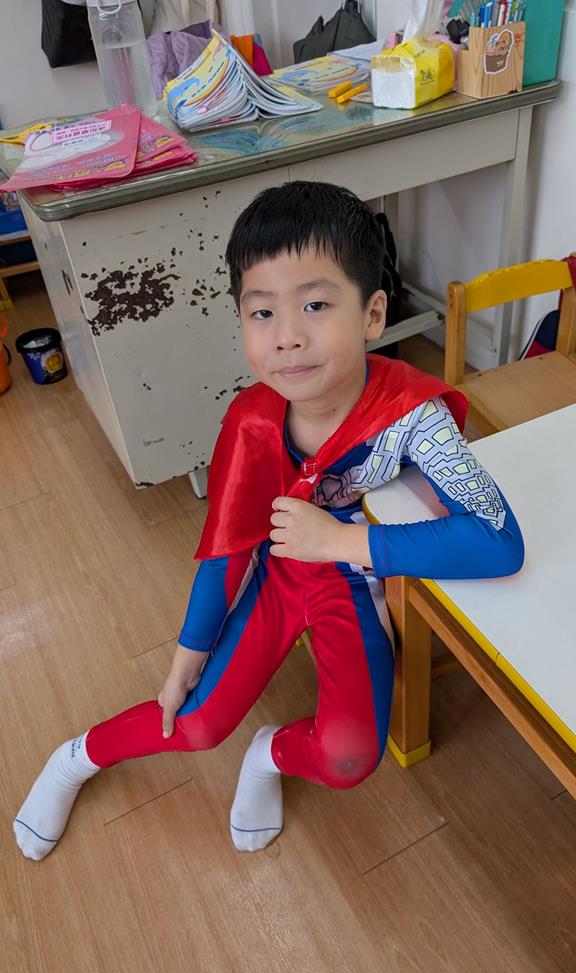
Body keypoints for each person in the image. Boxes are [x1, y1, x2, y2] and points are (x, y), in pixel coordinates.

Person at [13, 181, 524, 861]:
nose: (287, 337)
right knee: (195, 723)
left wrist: (340, 540)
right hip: (279, 576)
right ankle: (74, 759)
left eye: (316, 305)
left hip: (350, 578)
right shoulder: (252, 419)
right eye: (261, 313)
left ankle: (268, 755)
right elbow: (227, 550)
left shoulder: (413, 416)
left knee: (349, 757)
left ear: (373, 314)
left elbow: (499, 542)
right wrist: (187, 657)